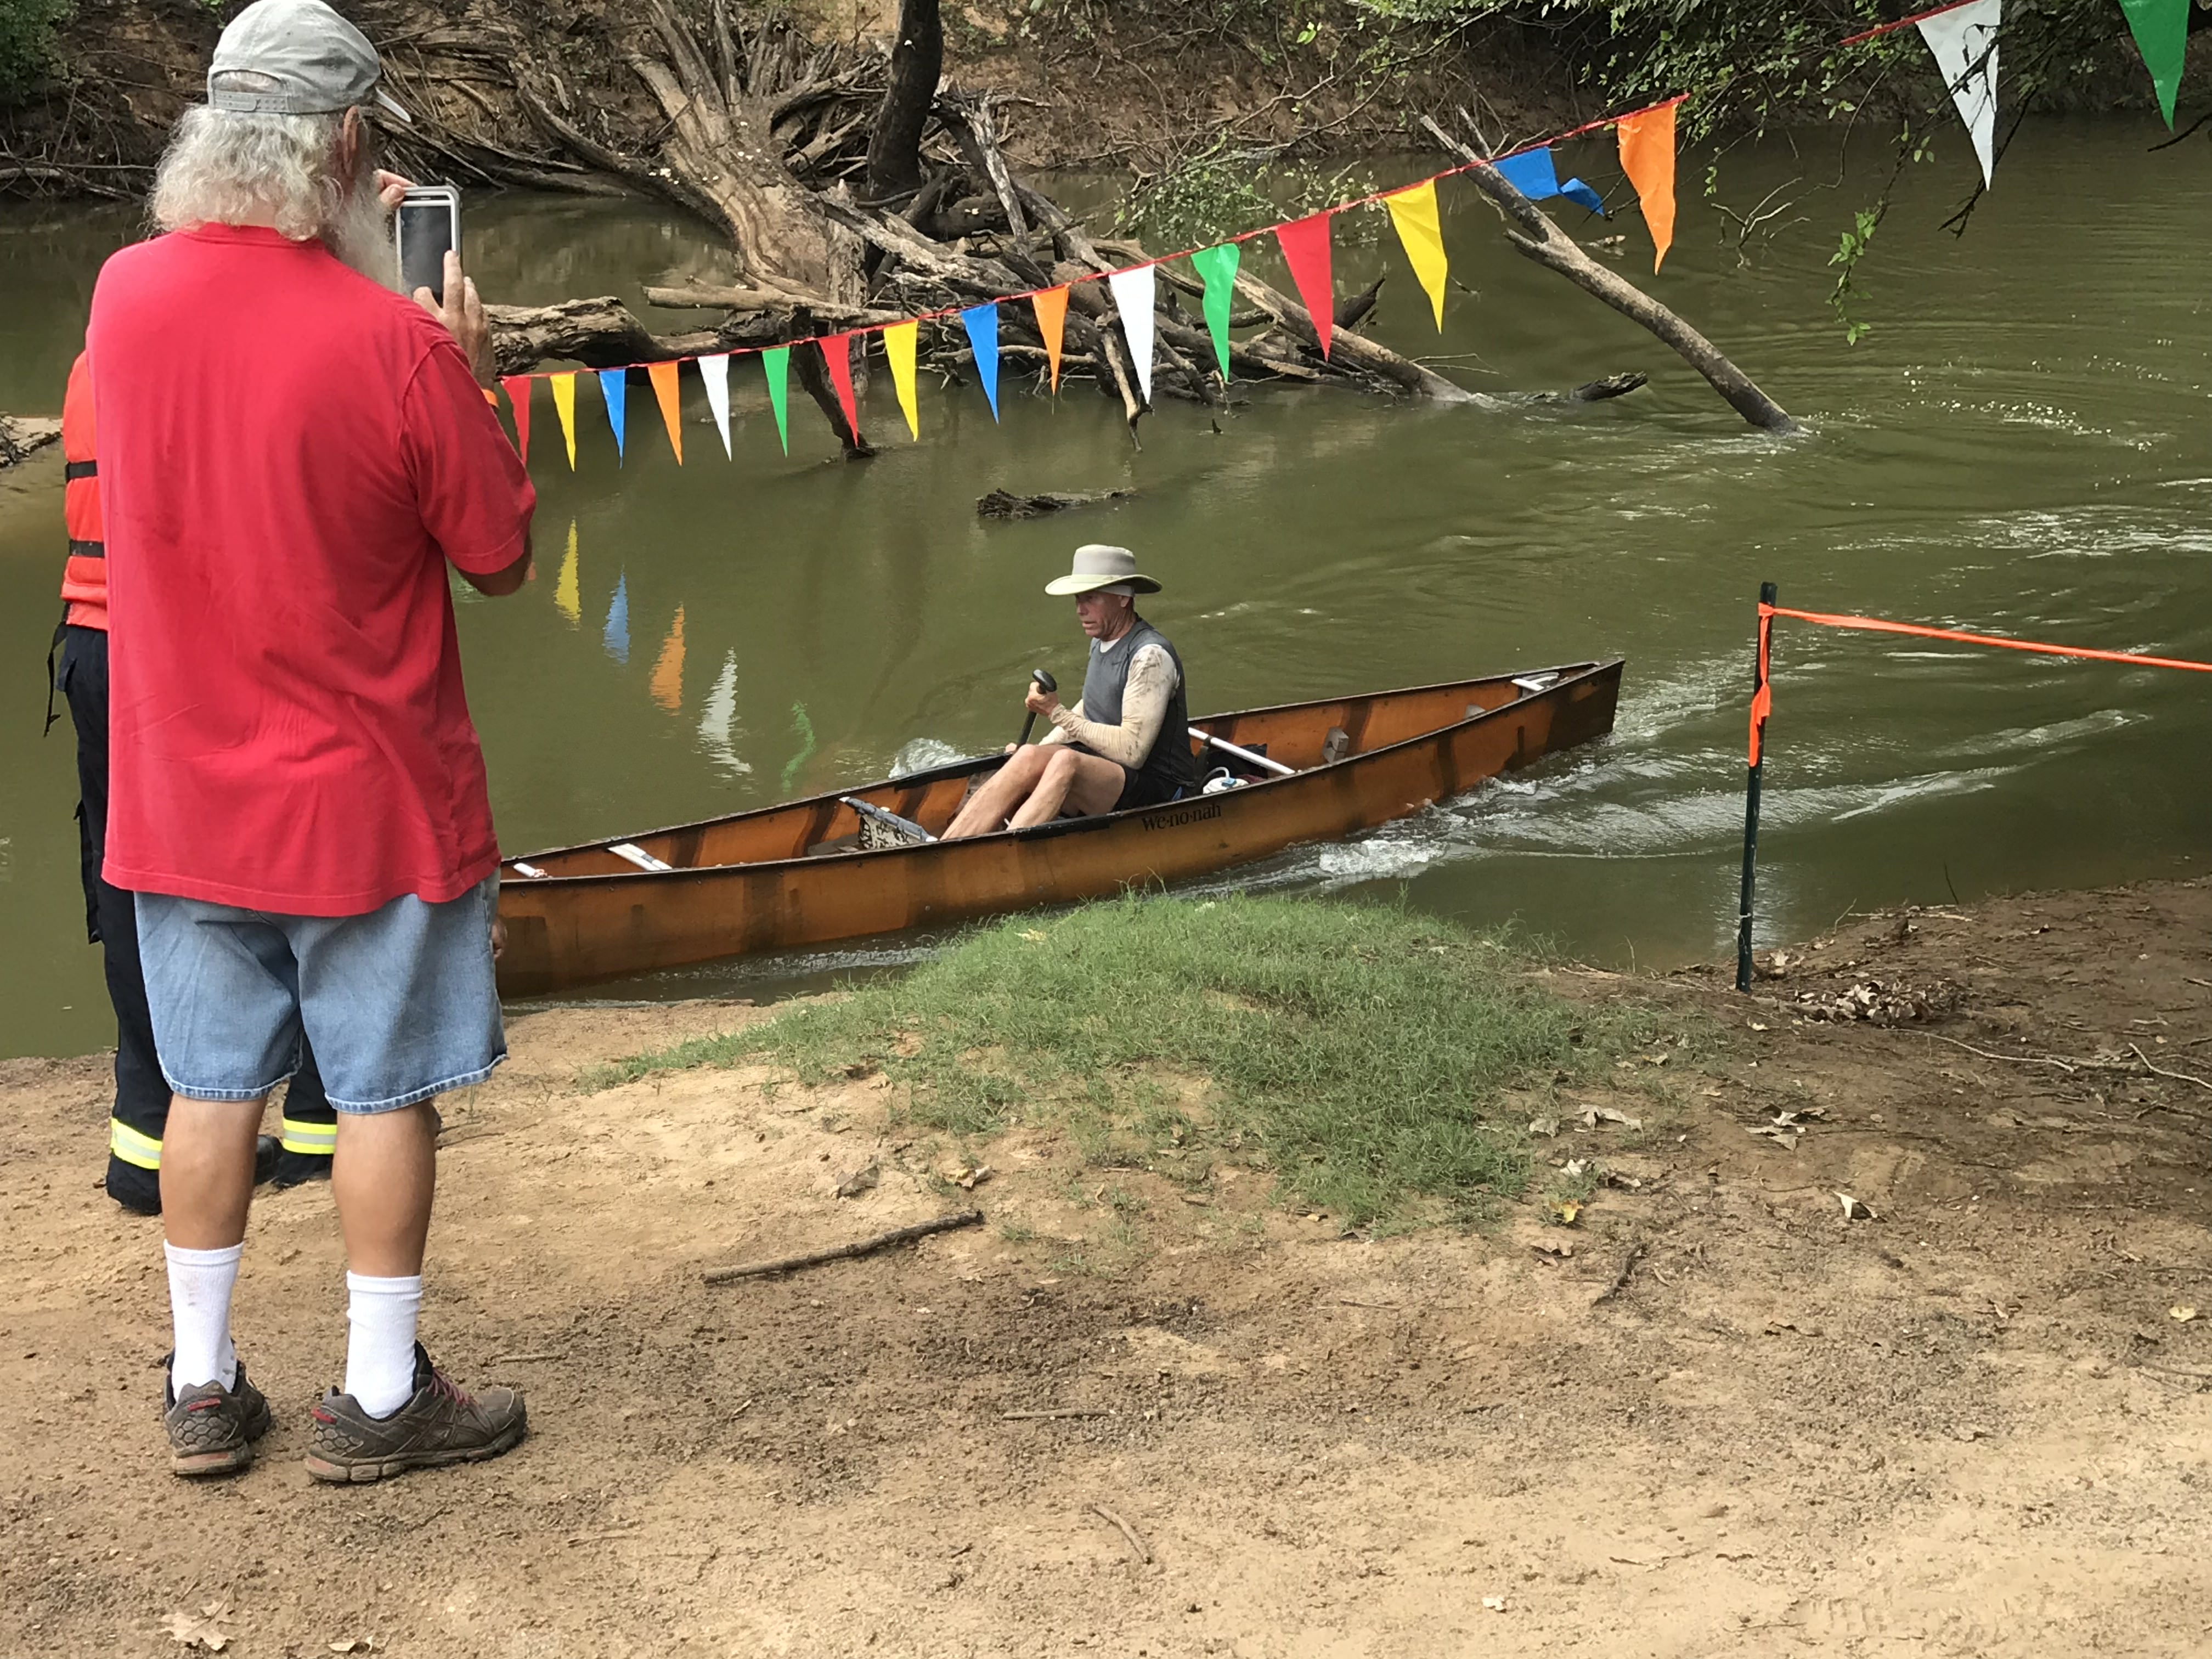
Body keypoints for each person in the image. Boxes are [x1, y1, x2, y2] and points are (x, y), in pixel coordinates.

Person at [87, 0, 534, 1480]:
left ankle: (205, 1389)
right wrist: (460, 374)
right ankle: (383, 1397)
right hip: (367, 805)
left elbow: (232, 368)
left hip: (180, 794)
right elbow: (496, 556)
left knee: (213, 1091)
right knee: (382, 1096)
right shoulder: (393, 349)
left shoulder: (122, 299)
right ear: (350, 146)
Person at [49, 352, 338, 1216]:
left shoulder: (103, 347)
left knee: (130, 876)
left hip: (93, 640)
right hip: (197, 643)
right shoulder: (234, 345)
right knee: (299, 852)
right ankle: (323, 1120)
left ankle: (146, 1137)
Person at [944, 544, 1205, 839]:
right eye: (1078, 599)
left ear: (1122, 598)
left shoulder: (1150, 656)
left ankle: (1001, 853)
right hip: (1108, 772)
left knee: (1066, 761)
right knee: (1028, 755)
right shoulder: (1101, 639)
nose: (1080, 609)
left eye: (1091, 599)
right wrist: (1039, 750)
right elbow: (1091, 707)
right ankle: (949, 846)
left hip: (1163, 791)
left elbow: (1131, 753)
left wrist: (1056, 713)